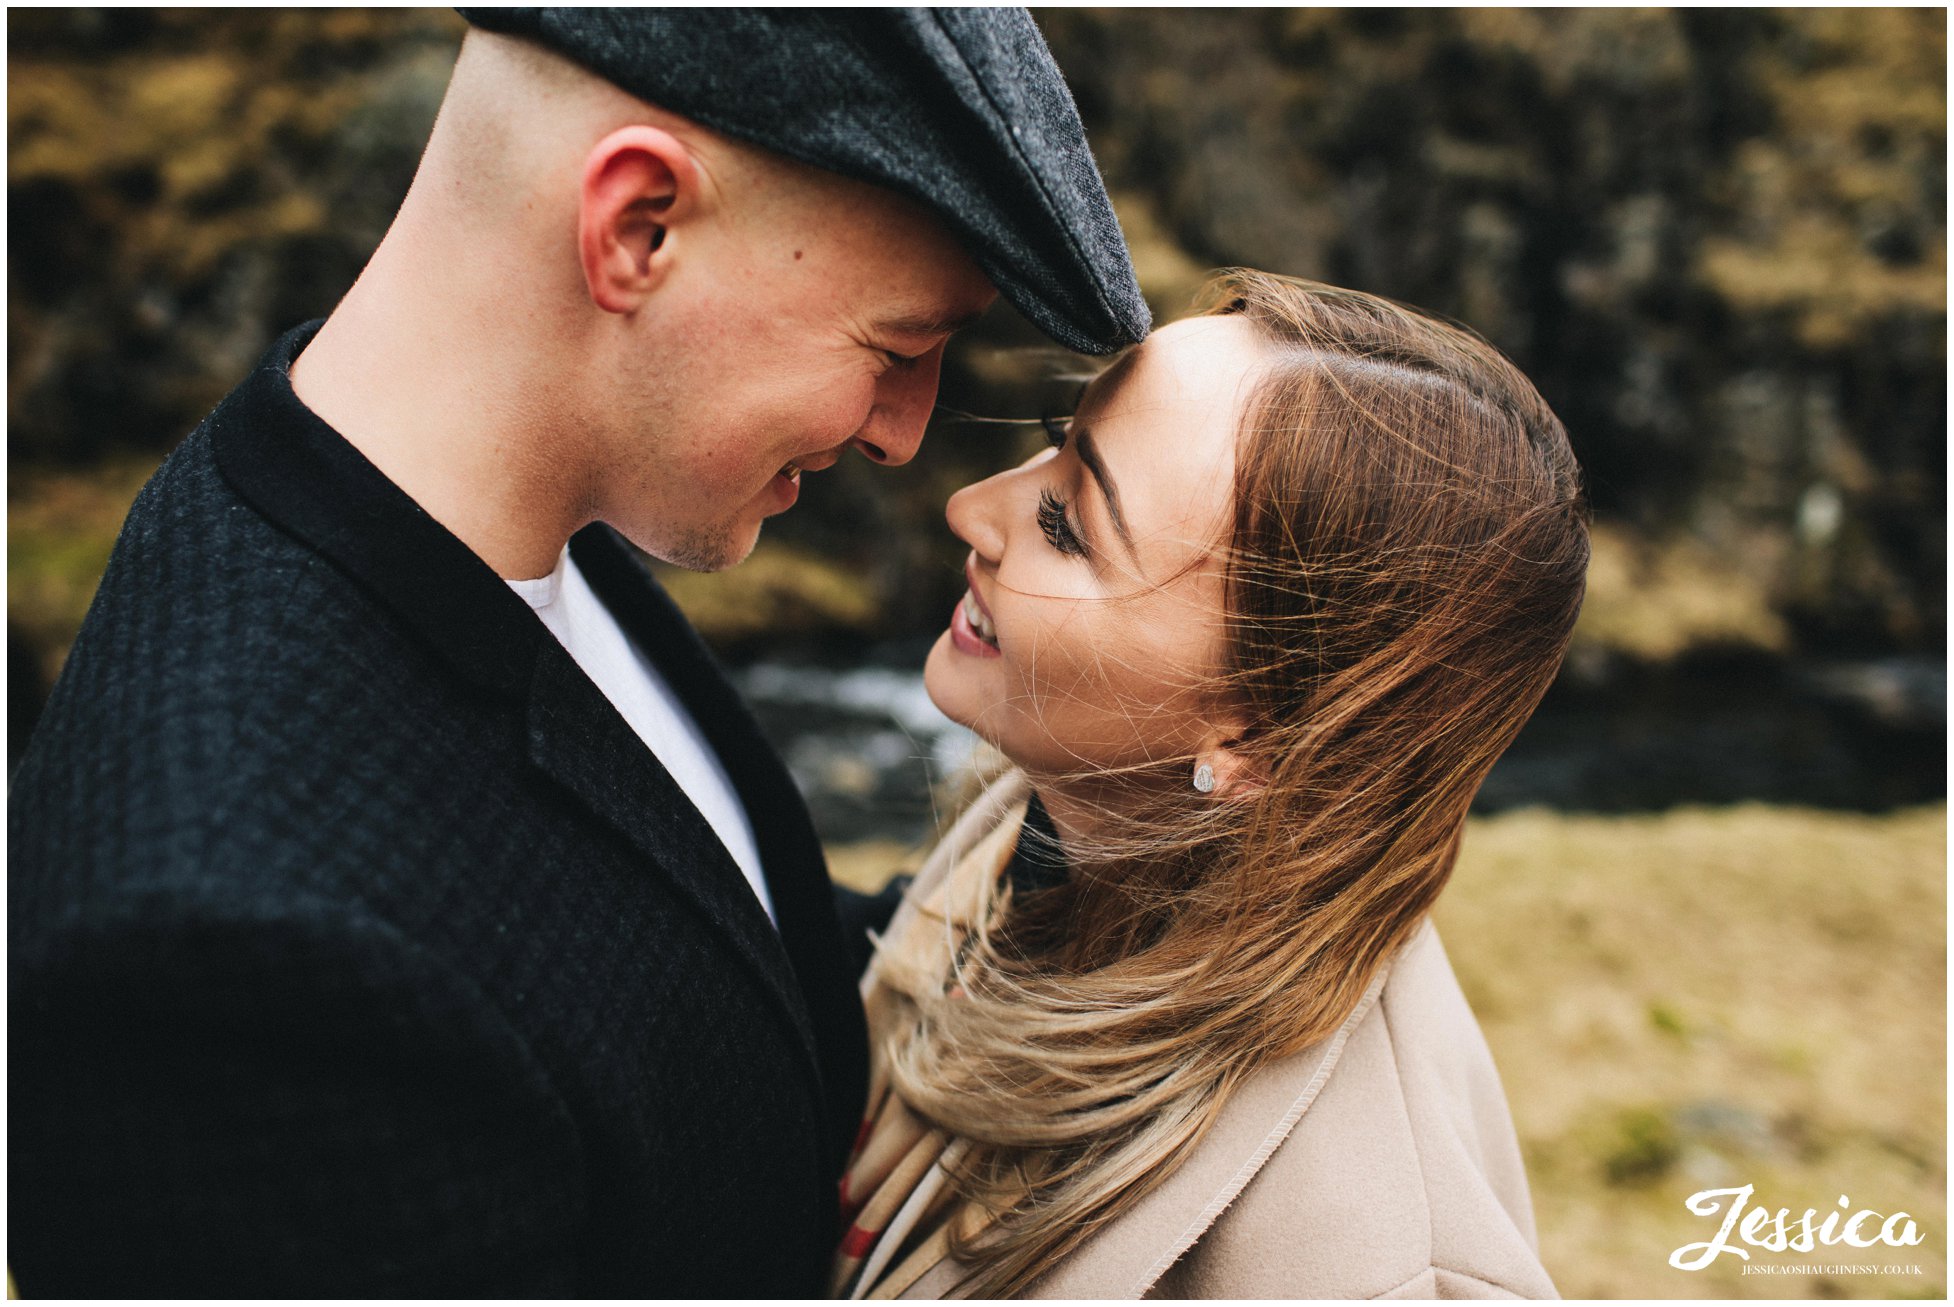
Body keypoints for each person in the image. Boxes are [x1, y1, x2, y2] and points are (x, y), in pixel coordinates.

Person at [7, 10, 1147, 1298]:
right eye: (895, 348)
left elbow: (718, 950)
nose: (903, 434)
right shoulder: (234, 989)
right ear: (638, 226)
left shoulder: (527, 520)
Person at [833, 271, 1587, 1299]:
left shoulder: (1363, 1268)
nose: (973, 505)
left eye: (1069, 522)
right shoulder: (1080, 796)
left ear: (1260, 741)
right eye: (1059, 434)